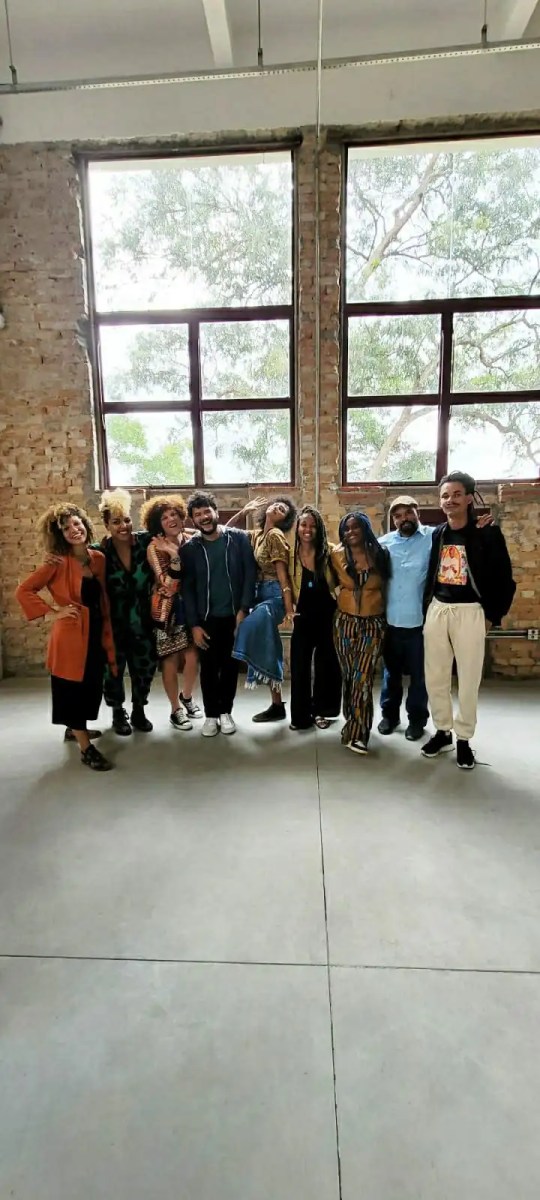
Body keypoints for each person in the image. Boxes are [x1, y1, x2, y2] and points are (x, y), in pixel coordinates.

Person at [421, 471, 515, 770]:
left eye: (456, 494)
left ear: (469, 498)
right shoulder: (438, 533)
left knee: (468, 679)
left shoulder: (487, 533)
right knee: (435, 676)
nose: (450, 500)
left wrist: (492, 617)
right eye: (445, 495)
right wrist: (427, 608)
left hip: (471, 612)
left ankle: (464, 738)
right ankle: (443, 731)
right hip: (438, 610)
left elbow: (504, 579)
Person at [15, 503, 116, 771]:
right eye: (66, 528)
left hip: (95, 632)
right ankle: (86, 749)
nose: (74, 530)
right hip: (70, 636)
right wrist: (52, 612)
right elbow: (24, 591)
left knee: (92, 686)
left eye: (76, 523)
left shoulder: (98, 558)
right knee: (73, 689)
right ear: (58, 535)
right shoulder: (57, 562)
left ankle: (74, 729)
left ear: (85, 524)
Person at [180, 491, 257, 737]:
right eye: (198, 514)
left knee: (230, 666)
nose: (204, 517)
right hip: (206, 620)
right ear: (193, 519)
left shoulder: (239, 539)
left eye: (207, 511)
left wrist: (244, 609)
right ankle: (211, 715)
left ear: (216, 511)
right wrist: (194, 624)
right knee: (209, 668)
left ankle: (226, 712)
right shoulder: (190, 549)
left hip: (234, 616)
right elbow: (187, 590)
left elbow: (250, 575)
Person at [95, 489, 156, 736]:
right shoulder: (99, 551)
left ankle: (139, 710)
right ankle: (117, 712)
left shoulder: (145, 542)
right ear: (107, 525)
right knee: (113, 670)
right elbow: (72, 556)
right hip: (114, 623)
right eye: (116, 522)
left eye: (127, 520)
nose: (123, 526)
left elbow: (177, 533)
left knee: (145, 667)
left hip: (143, 621)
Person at [232, 496, 297, 723]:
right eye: (277, 504)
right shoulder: (258, 535)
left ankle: (275, 701)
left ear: (284, 520)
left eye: (283, 510)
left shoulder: (275, 535)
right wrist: (243, 513)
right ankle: (277, 704)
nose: (278, 507)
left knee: (246, 626)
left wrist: (289, 610)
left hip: (275, 595)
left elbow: (283, 576)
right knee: (268, 644)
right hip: (259, 593)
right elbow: (224, 532)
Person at [331, 511, 391, 754]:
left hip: (373, 624)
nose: (351, 532)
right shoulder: (336, 555)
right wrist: (338, 594)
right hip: (344, 622)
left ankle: (358, 733)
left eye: (355, 527)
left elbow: (387, 587)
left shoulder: (381, 553)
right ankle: (352, 718)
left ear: (365, 528)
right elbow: (328, 582)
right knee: (349, 675)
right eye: (346, 528)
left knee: (362, 677)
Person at [141, 495, 202, 732]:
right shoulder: (155, 547)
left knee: (193, 656)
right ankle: (175, 709)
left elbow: (218, 532)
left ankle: (186, 697)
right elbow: (168, 585)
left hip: (192, 606)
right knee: (170, 660)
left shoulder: (189, 537)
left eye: (173, 514)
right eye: (164, 517)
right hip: (167, 610)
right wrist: (174, 556)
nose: (170, 520)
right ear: (158, 524)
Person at [289, 505, 342, 731]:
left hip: (327, 616)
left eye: (313, 526)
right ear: (297, 527)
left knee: (326, 665)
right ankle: (300, 716)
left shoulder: (330, 552)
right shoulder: (290, 553)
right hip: (302, 617)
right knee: (299, 666)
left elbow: (342, 579)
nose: (307, 529)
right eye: (303, 524)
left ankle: (323, 711)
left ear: (319, 529)